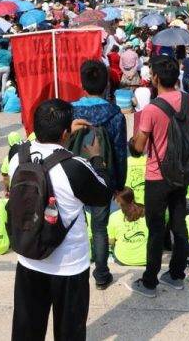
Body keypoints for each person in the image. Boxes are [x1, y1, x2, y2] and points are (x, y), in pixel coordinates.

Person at [7, 99, 111, 341]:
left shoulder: (17, 158)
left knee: (26, 330)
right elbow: (103, 194)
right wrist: (96, 158)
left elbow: (30, 141)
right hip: (69, 266)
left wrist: (59, 130)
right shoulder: (75, 167)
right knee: (69, 332)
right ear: (66, 133)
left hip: (29, 259)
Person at [126, 55, 189, 298]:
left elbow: (139, 147)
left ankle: (149, 281)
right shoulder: (188, 100)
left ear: (156, 78)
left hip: (158, 176)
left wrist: (132, 143)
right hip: (182, 171)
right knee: (179, 224)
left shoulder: (151, 109)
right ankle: (176, 275)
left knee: (156, 228)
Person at [72, 59, 128, 290]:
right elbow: (120, 151)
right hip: (103, 177)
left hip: (73, 175)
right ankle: (102, 274)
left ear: (82, 83)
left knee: (73, 225)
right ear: (106, 84)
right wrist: (119, 183)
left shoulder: (70, 110)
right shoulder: (115, 114)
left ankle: (73, 270)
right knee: (99, 228)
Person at [107, 187, 148, 266]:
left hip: (124, 259)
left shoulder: (114, 216)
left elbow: (110, 241)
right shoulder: (146, 211)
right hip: (146, 258)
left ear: (117, 202)